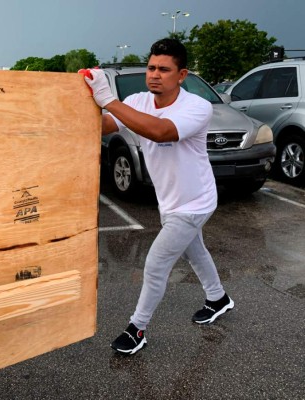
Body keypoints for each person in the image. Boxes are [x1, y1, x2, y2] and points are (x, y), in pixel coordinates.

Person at [82, 38, 234, 355]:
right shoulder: (138, 100)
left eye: (164, 69)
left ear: (182, 75)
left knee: (155, 264)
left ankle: (137, 329)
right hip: (169, 200)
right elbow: (108, 125)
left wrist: (108, 99)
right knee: (195, 252)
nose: (155, 74)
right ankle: (218, 298)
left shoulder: (197, 107)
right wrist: (86, 102)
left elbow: (161, 131)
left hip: (195, 202)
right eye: (151, 67)